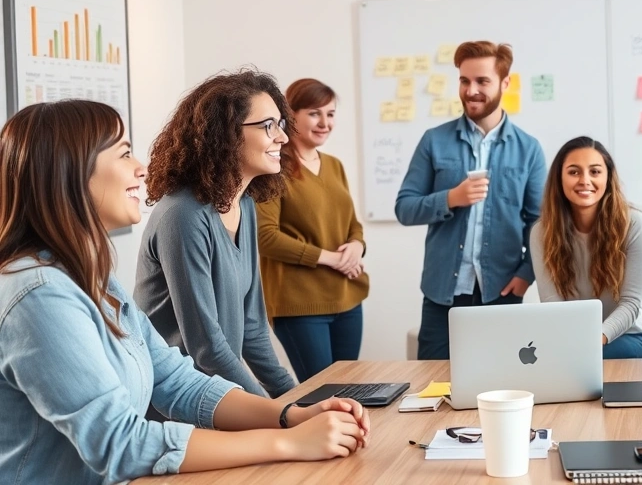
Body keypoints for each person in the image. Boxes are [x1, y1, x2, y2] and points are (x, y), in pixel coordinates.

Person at [0, 100, 371, 485]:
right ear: (69, 171)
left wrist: (289, 415)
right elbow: (120, 442)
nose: (140, 167)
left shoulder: (92, 278)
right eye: (125, 154)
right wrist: (288, 443)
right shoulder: (40, 296)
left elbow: (177, 380)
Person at [136, 69, 296, 397]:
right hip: (175, 404)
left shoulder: (245, 206)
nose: (283, 138)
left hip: (219, 394)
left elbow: (253, 330)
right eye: (269, 126)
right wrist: (277, 413)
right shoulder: (183, 215)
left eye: (280, 125)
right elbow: (207, 349)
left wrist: (297, 398)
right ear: (226, 133)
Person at [395, 41, 546, 360]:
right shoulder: (434, 140)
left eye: (482, 81)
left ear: (505, 83)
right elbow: (405, 208)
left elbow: (540, 223)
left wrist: (526, 274)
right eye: (464, 81)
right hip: (441, 295)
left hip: (502, 294)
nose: (471, 90)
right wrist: (451, 197)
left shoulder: (528, 149)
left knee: (503, 381)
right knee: (433, 388)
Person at [256, 78, 370, 382]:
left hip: (347, 297)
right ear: (290, 115)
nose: (325, 122)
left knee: (348, 391)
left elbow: (352, 224)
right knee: (322, 395)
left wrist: (357, 246)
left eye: (330, 114)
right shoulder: (273, 167)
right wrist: (331, 258)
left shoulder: (334, 165)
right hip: (300, 305)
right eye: (314, 113)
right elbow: (265, 236)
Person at [530, 136, 642, 359]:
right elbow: (551, 303)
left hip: (624, 338)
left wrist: (595, 339)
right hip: (569, 338)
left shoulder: (635, 224)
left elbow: (631, 304)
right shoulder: (541, 232)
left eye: (595, 172)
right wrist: (576, 342)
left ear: (608, 177)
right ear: (559, 178)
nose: (585, 180)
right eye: (574, 172)